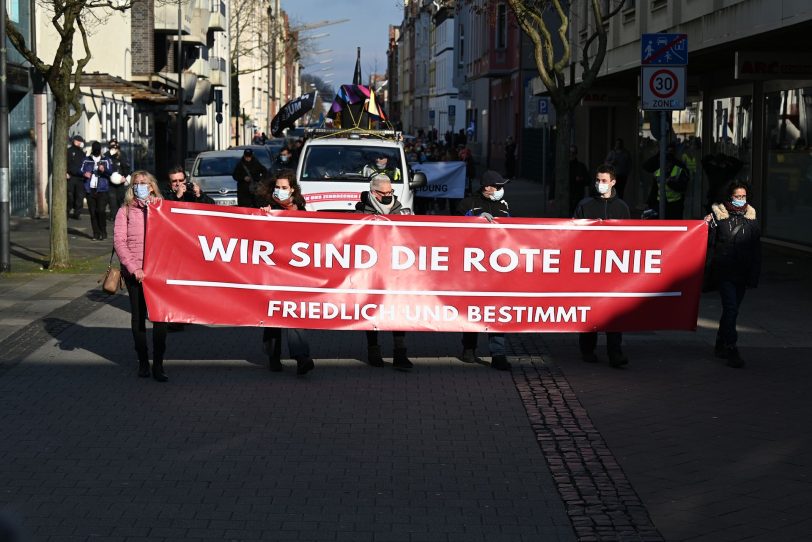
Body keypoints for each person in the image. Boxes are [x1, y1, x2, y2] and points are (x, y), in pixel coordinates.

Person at [258, 170, 315, 375]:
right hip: (273, 271)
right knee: (274, 313)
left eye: (284, 188)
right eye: (277, 187)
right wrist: (262, 217)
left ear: (292, 189)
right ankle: (273, 355)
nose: (280, 191)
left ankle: (301, 358)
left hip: (295, 272)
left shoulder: (302, 211)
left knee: (294, 311)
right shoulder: (268, 209)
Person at [114, 171, 169, 382]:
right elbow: (120, 242)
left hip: (158, 273)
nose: (140, 187)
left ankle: (159, 363)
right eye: (136, 184)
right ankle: (143, 361)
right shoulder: (125, 212)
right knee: (138, 318)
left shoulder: (162, 210)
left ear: (152, 187)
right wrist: (133, 267)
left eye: (144, 183)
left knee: (160, 319)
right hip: (135, 273)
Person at [574, 164, 631, 368]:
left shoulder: (621, 207)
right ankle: (587, 348)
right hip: (589, 267)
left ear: (613, 182)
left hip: (614, 268)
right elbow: (572, 235)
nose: (600, 184)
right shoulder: (585, 205)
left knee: (614, 310)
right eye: (597, 180)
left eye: (604, 181)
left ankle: (615, 352)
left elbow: (631, 238)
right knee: (590, 309)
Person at [356, 173, 414, 370]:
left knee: (397, 312)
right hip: (370, 272)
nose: (389, 196)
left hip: (396, 271)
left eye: (391, 192)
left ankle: (400, 353)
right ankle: (374, 351)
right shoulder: (360, 212)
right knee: (371, 311)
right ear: (373, 193)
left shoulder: (402, 211)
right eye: (384, 193)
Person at [456, 170, 512, 371]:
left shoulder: (504, 206)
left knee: (497, 310)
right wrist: (475, 218)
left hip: (498, 268)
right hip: (473, 268)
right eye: (497, 186)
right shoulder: (467, 204)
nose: (500, 190)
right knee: (473, 309)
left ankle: (498, 353)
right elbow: (452, 229)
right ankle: (469, 348)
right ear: (487, 187)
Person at [704, 181, 761, 368]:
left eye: (743, 196)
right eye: (737, 196)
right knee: (731, 309)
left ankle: (720, 343)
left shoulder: (751, 219)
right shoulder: (718, 217)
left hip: (742, 273)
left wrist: (754, 275)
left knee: (732, 310)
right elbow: (705, 241)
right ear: (730, 197)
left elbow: (755, 250)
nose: (740, 200)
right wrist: (705, 225)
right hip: (725, 271)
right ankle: (731, 347)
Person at [644, 143, 688, 219]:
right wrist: (649, 203)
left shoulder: (679, 169)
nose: (665, 165)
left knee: (674, 226)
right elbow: (654, 188)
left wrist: (669, 182)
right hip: (660, 203)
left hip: (675, 205)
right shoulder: (658, 171)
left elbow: (683, 187)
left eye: (671, 151)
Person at [81, 141, 113, 240]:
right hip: (90, 189)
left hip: (102, 189)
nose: (97, 151)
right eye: (95, 150)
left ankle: (103, 231)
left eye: (98, 150)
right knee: (93, 212)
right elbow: (80, 170)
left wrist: (104, 170)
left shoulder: (106, 159)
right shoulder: (87, 160)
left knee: (101, 211)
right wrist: (84, 174)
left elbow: (111, 172)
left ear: (100, 150)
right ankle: (96, 233)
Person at [105, 138, 131, 222]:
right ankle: (114, 215)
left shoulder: (122, 155)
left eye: (115, 146)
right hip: (110, 182)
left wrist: (125, 176)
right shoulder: (106, 155)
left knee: (121, 199)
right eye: (112, 146)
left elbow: (126, 167)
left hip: (121, 182)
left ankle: (122, 215)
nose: (113, 147)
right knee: (112, 200)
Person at [66, 135, 86, 219]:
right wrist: (65, 172)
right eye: (78, 141)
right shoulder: (69, 151)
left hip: (80, 178)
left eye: (80, 141)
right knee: (70, 195)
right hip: (71, 177)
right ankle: (67, 211)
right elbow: (65, 162)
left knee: (80, 196)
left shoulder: (82, 153)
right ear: (74, 141)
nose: (79, 143)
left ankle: (77, 213)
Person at [567, 145, 590, 215]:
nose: (571, 155)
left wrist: (581, 179)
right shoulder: (563, 166)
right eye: (570, 153)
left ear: (575, 154)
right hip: (566, 195)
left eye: (573, 153)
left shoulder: (581, 166)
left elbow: (588, 180)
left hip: (577, 195)